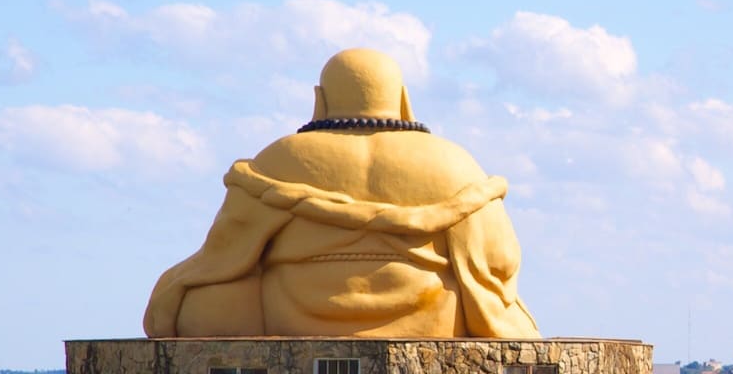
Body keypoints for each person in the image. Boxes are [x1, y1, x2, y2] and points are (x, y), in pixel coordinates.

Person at [143, 48, 540, 338]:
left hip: (293, 315)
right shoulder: (452, 163)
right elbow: (498, 264)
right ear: (403, 100)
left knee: (207, 307)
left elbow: (221, 257)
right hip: (433, 314)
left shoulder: (280, 159)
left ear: (320, 100)